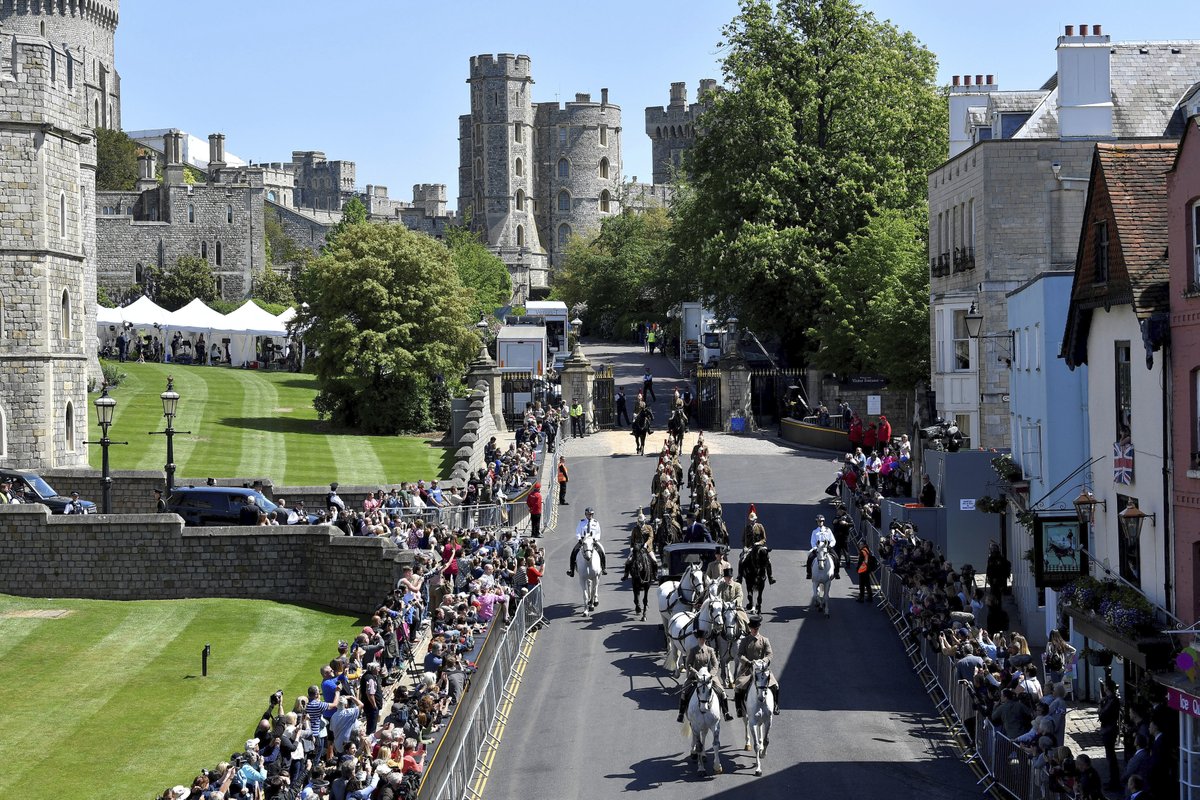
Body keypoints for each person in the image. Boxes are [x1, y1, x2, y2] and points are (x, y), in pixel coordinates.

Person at [677, 628, 733, 723]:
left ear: (705, 640)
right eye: (700, 639)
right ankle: (681, 714)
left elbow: (715, 664)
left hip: (709, 676)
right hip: (696, 676)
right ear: (698, 639)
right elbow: (688, 664)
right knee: (684, 692)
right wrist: (696, 673)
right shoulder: (693, 650)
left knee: (722, 692)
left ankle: (726, 713)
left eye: (703, 639)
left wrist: (711, 675)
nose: (702, 640)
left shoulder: (710, 650)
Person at [734, 616, 780, 716]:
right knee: (738, 686)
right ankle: (739, 709)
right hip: (748, 669)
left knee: (775, 685)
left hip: (762, 669)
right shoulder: (745, 641)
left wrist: (762, 661)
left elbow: (769, 654)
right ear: (750, 628)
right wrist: (748, 662)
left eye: (756, 629)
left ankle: (776, 705)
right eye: (753, 629)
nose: (755, 630)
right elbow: (740, 654)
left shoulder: (764, 640)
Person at [566, 507, 607, 576]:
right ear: (585, 514)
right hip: (583, 540)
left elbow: (598, 533)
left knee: (601, 551)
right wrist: (579, 539)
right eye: (588, 514)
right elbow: (578, 531)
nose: (589, 515)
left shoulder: (596, 523)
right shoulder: (581, 522)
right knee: (574, 552)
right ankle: (571, 570)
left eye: (591, 514)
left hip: (593, 541)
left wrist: (596, 539)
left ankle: (603, 568)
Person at [805, 514, 840, 580]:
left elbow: (833, 540)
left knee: (836, 558)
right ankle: (809, 573)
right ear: (817, 522)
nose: (820, 522)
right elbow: (812, 541)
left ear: (823, 522)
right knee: (810, 558)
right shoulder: (815, 532)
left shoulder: (828, 530)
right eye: (818, 521)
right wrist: (815, 548)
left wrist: (830, 546)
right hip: (818, 548)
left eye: (821, 521)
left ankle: (836, 573)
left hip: (827, 547)